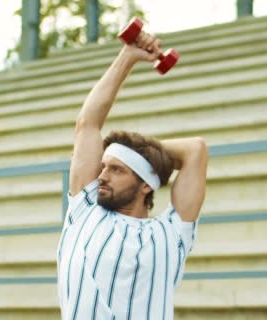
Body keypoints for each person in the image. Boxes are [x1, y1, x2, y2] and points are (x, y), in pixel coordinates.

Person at [56, 30, 208, 320]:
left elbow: (196, 150)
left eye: (116, 169)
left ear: (145, 186)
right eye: (103, 166)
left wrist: (143, 153)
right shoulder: (85, 210)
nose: (102, 175)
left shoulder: (171, 234)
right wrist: (128, 56)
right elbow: (87, 124)